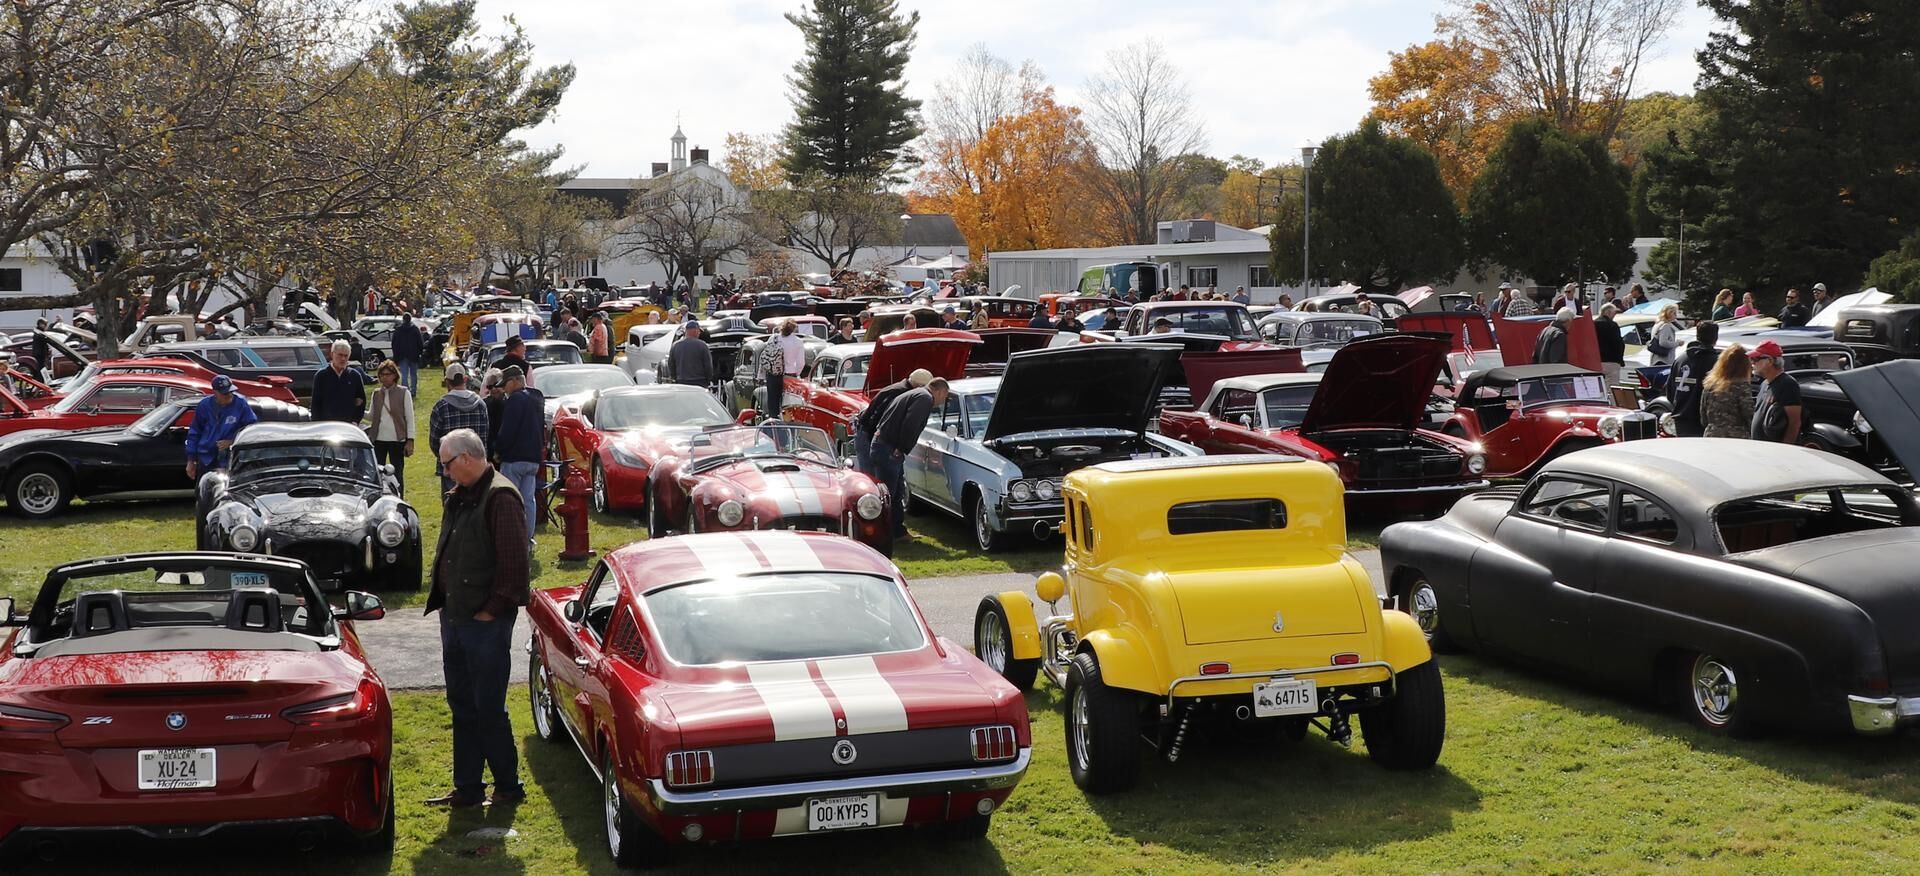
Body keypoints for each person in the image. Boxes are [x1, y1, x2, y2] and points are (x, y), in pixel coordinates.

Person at [424, 428, 530, 810]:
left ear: (466, 458)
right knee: (463, 705)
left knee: (488, 709)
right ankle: (468, 788)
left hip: (483, 623)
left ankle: (508, 786)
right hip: (455, 618)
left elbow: (515, 569)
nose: (446, 473)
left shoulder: (500, 497)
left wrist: (490, 612)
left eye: (447, 465)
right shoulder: (463, 495)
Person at [871, 377, 947, 539]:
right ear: (940, 391)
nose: (942, 401)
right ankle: (881, 534)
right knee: (888, 495)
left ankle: (897, 531)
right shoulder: (925, 398)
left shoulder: (914, 393)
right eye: (944, 396)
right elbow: (910, 424)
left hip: (884, 444)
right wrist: (902, 448)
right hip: (889, 448)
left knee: (897, 492)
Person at [492, 366, 545, 539]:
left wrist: (498, 449)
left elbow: (508, 430)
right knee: (529, 501)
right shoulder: (536, 398)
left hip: (514, 458)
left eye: (505, 384)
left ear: (515, 381)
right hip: (533, 458)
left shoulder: (515, 400)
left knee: (511, 501)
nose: (504, 389)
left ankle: (513, 538)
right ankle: (527, 538)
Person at [854, 368, 931, 476]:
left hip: (871, 433)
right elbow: (879, 416)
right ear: (919, 386)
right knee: (871, 478)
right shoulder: (899, 392)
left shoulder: (901, 390)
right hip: (867, 433)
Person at [430, 370, 490, 497]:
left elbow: (434, 440)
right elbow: (484, 436)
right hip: (476, 467)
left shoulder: (441, 406)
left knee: (452, 506)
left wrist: (445, 459)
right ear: (465, 379)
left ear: (447, 382)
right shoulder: (480, 404)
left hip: (451, 467)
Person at [184, 375, 257, 479]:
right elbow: (194, 432)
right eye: (225, 393)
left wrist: (232, 441)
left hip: (231, 460)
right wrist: (191, 460)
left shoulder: (241, 404)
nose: (229, 395)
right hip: (206, 459)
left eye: (230, 392)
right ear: (215, 392)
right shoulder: (204, 406)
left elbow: (251, 429)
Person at [367, 361, 415, 495]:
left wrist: (410, 440)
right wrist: (356, 410)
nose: (384, 377)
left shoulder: (403, 392)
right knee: (377, 472)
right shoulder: (376, 394)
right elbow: (371, 416)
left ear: (394, 375)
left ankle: (399, 498)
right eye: (381, 375)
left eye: (388, 374)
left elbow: (409, 417)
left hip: (397, 439)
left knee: (397, 473)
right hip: (379, 439)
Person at [1667, 321, 1722, 437]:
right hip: (1702, 422)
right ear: (1715, 338)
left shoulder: (1679, 360)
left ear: (1697, 336)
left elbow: (1670, 391)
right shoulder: (1715, 362)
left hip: (1680, 419)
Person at [1748, 340, 1803, 444]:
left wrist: (1785, 449)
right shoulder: (1765, 383)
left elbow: (1794, 423)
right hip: (1760, 449)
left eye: (1756, 359)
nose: (1752, 363)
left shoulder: (1787, 384)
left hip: (1776, 452)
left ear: (1769, 361)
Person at [1699, 344, 1756, 439]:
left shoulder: (1710, 385)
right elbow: (1749, 415)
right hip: (1736, 437)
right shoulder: (1741, 386)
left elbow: (1703, 418)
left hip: (1712, 435)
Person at [311, 340, 368, 423]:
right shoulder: (321, 376)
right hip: (327, 425)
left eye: (346, 356)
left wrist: (355, 421)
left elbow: (361, 402)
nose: (343, 359)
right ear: (332, 354)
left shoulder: (354, 376)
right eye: (340, 355)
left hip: (348, 425)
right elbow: (315, 404)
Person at [762, 319, 805, 420]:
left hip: (773, 374)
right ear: (794, 329)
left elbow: (767, 356)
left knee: (773, 404)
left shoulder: (773, 338)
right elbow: (801, 362)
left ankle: (774, 424)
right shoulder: (797, 342)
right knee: (788, 405)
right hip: (790, 375)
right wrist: (797, 374)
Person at [667, 321, 713, 387]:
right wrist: (708, 380)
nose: (699, 333)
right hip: (699, 382)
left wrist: (675, 378)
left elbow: (671, 365)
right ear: (696, 331)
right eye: (699, 331)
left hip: (681, 382)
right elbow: (708, 366)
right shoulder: (702, 345)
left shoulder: (675, 345)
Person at [1593, 304, 1627, 385]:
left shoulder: (1593, 324)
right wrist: (1620, 360)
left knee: (1597, 387)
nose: (1614, 316)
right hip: (1611, 361)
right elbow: (1618, 343)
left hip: (1596, 361)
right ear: (1608, 313)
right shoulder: (1612, 325)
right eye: (1614, 313)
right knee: (1612, 387)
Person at [392, 313, 425, 396]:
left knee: (404, 374)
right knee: (413, 374)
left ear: (403, 319)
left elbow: (394, 344)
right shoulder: (415, 329)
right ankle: (413, 391)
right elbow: (420, 342)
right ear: (410, 319)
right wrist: (420, 352)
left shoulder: (398, 330)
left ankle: (405, 391)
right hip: (414, 354)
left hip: (402, 355)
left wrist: (396, 355)